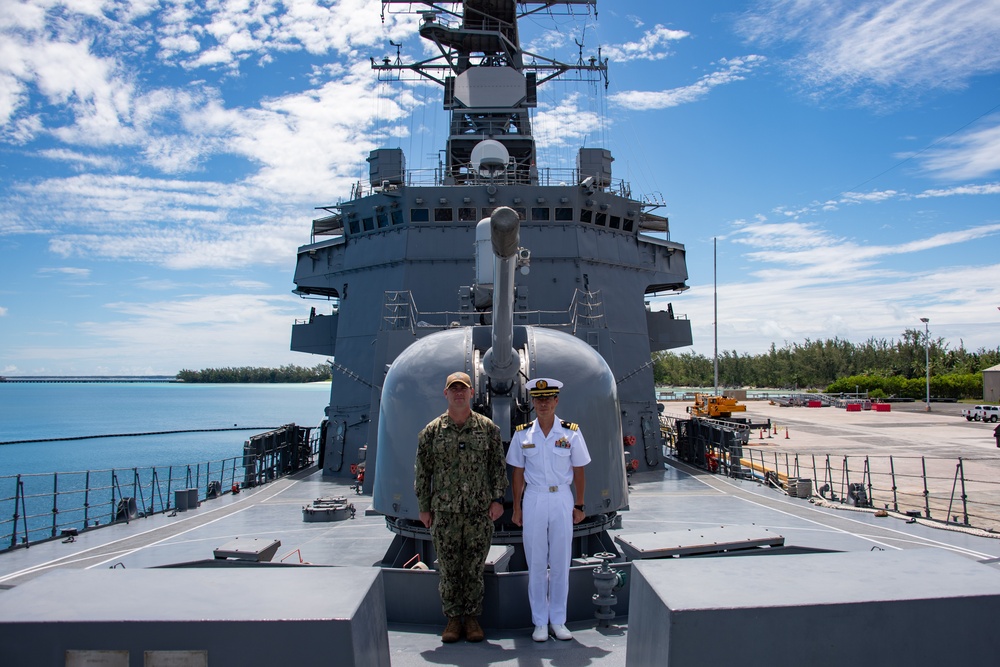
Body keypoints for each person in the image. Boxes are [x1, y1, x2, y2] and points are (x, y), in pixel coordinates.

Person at [414, 371, 508, 644]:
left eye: (463, 388)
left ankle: (472, 618)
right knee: (449, 568)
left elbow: (497, 467)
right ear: (446, 393)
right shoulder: (432, 431)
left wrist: (497, 500)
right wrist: (424, 507)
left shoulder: (488, 429)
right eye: (453, 389)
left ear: (471, 393)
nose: (458, 393)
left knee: (474, 568)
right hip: (445, 512)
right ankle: (453, 619)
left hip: (479, 511)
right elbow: (423, 472)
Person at [507, 377, 591, 642]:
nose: (543, 404)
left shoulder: (570, 432)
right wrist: (517, 507)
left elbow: (579, 470)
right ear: (533, 402)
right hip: (534, 498)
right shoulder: (523, 434)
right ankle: (540, 622)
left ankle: (558, 620)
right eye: (538, 399)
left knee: (560, 561)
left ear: (556, 401)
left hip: (561, 497)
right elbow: (517, 473)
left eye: (547, 399)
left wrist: (579, 504)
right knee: (536, 562)